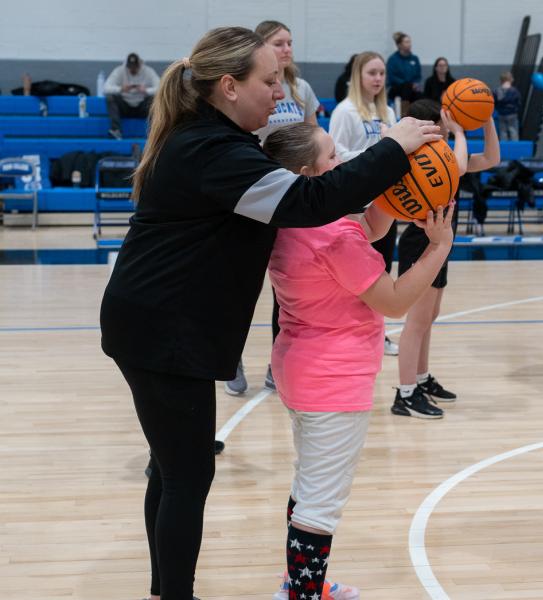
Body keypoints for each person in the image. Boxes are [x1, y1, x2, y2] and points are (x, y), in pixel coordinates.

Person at [99, 26, 442, 600]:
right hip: (162, 329)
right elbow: (312, 199)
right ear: (228, 87)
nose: (279, 92)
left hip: (156, 321)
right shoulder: (215, 152)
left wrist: (386, 187)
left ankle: (165, 590)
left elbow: (327, 204)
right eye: (268, 80)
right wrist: (395, 148)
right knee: (187, 475)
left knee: (171, 468)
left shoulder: (213, 141)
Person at [264, 122, 455, 600]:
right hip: (334, 379)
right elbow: (392, 301)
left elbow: (369, 225)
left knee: (309, 484)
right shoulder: (333, 238)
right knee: (321, 503)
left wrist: (390, 198)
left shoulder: (295, 219)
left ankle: (300, 582)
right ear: (308, 174)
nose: (345, 163)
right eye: (332, 156)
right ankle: (302, 594)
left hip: (301, 368)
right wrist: (438, 247)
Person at [225, 19, 321, 396]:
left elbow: (315, 140)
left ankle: (276, 363)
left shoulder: (301, 89)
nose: (287, 50)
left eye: (290, 43)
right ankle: (229, 358)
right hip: (255, 194)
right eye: (279, 43)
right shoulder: (251, 95)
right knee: (240, 287)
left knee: (289, 291)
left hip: (292, 197)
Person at [393, 99, 500, 418]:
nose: (445, 133)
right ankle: (405, 393)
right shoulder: (420, 157)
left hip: (440, 240)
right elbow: (461, 166)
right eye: (442, 128)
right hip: (420, 241)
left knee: (430, 316)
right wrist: (459, 131)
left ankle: (421, 379)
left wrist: (487, 118)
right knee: (416, 322)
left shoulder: (443, 156)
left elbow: (492, 159)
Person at [329, 51, 399, 355]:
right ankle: (347, 331)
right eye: (372, 73)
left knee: (381, 270)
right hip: (355, 205)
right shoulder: (345, 111)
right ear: (358, 75)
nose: (378, 79)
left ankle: (377, 332)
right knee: (354, 274)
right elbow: (335, 157)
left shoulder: (388, 112)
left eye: (382, 73)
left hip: (385, 202)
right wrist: (376, 157)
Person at [103, 52, 160, 140]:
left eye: (135, 67)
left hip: (142, 107)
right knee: (110, 97)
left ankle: (154, 131)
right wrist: (121, 89)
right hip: (124, 106)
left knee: (154, 99)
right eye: (130, 67)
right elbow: (106, 88)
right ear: (127, 65)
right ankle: (116, 130)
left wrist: (146, 91)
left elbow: (161, 88)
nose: (132, 70)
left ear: (140, 65)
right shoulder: (119, 71)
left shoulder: (148, 71)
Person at [386, 32, 422, 104]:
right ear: (399, 45)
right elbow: (391, 77)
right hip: (396, 88)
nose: (409, 44)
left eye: (409, 42)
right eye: (406, 42)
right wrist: (406, 84)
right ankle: (404, 110)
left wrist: (415, 84)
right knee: (406, 87)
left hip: (412, 88)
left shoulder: (415, 59)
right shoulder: (393, 59)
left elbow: (418, 75)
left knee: (420, 95)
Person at [493, 72, 521, 141]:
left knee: (503, 131)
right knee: (513, 130)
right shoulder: (514, 91)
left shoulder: (496, 91)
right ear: (511, 79)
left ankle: (504, 147)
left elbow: (494, 102)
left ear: (501, 80)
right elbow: (518, 102)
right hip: (512, 114)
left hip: (501, 113)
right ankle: (515, 147)